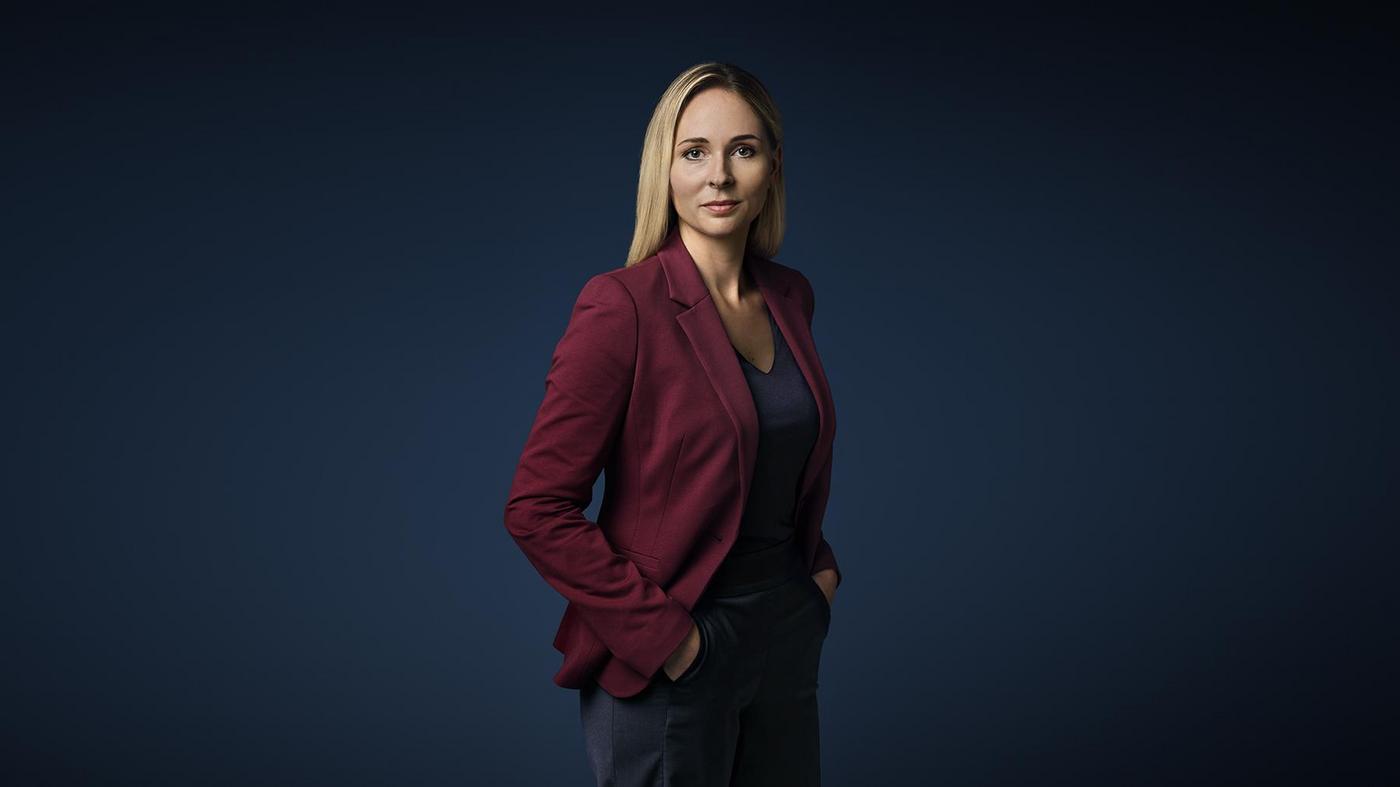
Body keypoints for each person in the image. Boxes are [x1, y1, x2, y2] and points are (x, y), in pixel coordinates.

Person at [504, 61, 843, 787]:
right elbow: (536, 507)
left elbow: (779, 458)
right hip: (675, 648)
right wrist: (670, 640)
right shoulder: (621, 306)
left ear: (773, 166)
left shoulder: (791, 297)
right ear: (663, 168)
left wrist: (817, 577)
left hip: (784, 632)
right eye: (694, 152)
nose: (719, 175)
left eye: (742, 150)